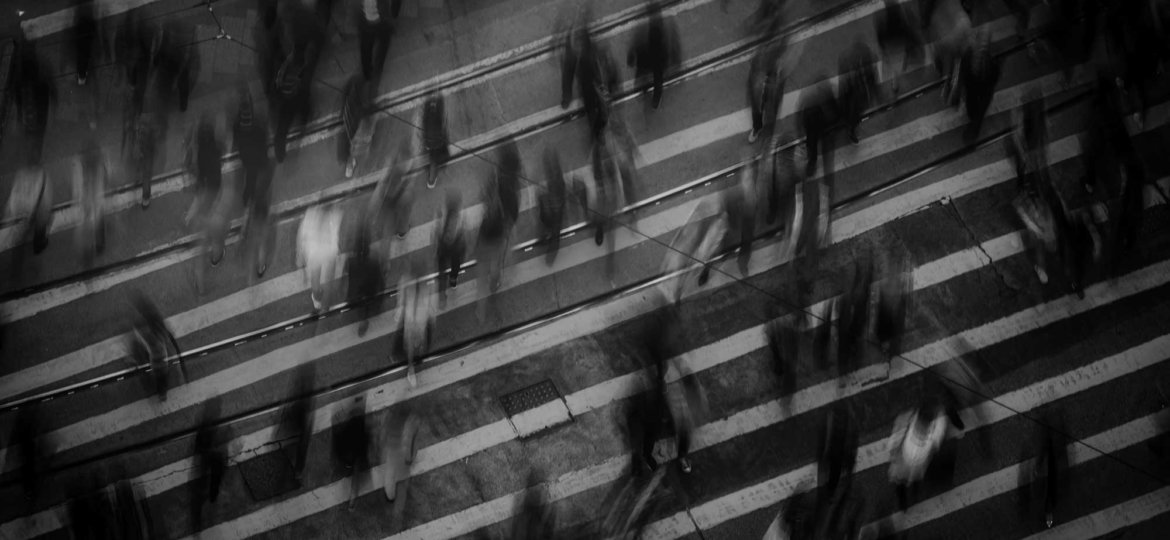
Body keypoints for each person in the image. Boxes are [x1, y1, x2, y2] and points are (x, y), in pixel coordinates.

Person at [129, 292, 184, 401]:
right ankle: (162, 390)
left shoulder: (148, 327)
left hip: (156, 354)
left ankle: (161, 390)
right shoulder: (153, 319)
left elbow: (147, 339)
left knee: (160, 373)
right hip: (159, 352)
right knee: (161, 373)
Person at [627, 1, 677, 111]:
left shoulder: (649, 31)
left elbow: (638, 43)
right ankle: (654, 98)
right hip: (657, 55)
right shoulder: (657, 31)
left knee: (648, 73)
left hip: (652, 54)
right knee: (657, 77)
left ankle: (646, 92)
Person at [395, 262, 436, 388]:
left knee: (419, 341)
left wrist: (431, 314)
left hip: (421, 317)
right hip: (411, 318)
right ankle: (411, 368)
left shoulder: (428, 281)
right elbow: (401, 298)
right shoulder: (406, 279)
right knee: (410, 344)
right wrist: (399, 312)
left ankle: (416, 357)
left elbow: (431, 297)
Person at [298, 203, 343, 311]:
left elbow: (302, 236)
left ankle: (319, 300)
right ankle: (324, 302)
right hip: (325, 252)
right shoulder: (334, 214)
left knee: (319, 279)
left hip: (319, 252)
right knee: (325, 280)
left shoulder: (311, 215)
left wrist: (300, 256)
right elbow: (337, 233)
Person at [191, 398, 227, 530]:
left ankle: (198, 519)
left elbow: (198, 443)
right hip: (213, 459)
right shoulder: (212, 424)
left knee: (203, 486)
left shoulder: (204, 423)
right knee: (211, 483)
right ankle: (212, 497)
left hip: (208, 459)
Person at [74, 141, 109, 267]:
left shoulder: (82, 165)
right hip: (91, 205)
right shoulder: (96, 164)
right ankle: (97, 247)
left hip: (91, 205)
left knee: (94, 224)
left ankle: (95, 248)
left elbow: (78, 187)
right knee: (96, 223)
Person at [747, 35, 786, 144]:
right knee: (757, 106)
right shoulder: (761, 53)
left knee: (771, 108)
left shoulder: (777, 54)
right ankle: (757, 127)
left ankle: (768, 131)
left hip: (772, 80)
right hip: (761, 80)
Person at [333, 396, 370, 510]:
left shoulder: (347, 454)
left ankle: (359, 402)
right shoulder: (348, 454)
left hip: (355, 427)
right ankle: (358, 403)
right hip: (354, 427)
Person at [837, 42, 877, 144]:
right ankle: (850, 128)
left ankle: (849, 126)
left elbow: (871, 78)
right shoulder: (849, 60)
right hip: (852, 91)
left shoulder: (847, 58)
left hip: (855, 92)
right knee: (853, 111)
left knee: (854, 112)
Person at [340, 76, 378, 178]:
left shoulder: (347, 149)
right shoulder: (350, 148)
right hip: (359, 121)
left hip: (358, 121)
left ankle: (366, 81)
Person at [435, 189, 467, 304]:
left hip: (443, 247)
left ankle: (442, 294)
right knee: (455, 264)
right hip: (456, 248)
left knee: (442, 267)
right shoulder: (461, 215)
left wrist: (437, 243)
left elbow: (437, 228)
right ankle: (453, 280)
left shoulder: (442, 212)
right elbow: (462, 230)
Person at [539, 148, 568, 265]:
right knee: (554, 177)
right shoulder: (554, 224)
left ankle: (550, 158)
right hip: (556, 202)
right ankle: (550, 158)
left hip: (556, 202)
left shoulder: (553, 223)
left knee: (553, 177)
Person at [356, 0, 394, 81]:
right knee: (371, 46)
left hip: (370, 22)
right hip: (373, 22)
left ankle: (369, 72)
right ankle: (371, 70)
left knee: (367, 48)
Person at [420, 92, 450, 188]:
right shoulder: (441, 162)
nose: (432, 175)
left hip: (431, 135)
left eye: (430, 178)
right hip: (436, 135)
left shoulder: (427, 164)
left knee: (430, 113)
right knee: (437, 111)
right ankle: (436, 98)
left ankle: (432, 99)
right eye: (433, 178)